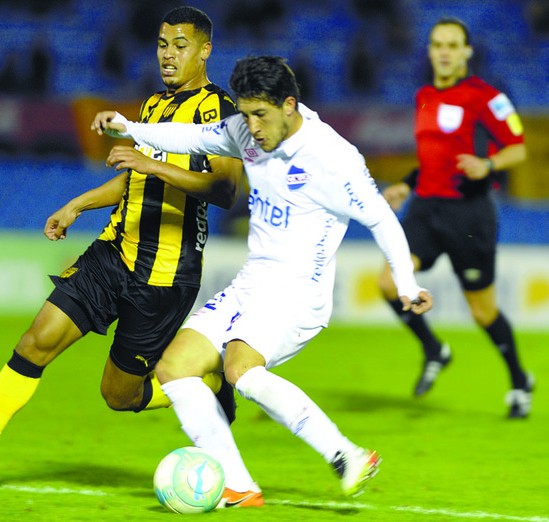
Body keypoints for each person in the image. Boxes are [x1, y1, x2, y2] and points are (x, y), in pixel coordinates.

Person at [0, 6, 243, 489]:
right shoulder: (153, 105)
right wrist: (78, 204)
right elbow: (134, 179)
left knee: (119, 394)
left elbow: (225, 190)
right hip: (113, 253)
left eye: (181, 45)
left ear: (205, 50)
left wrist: (155, 168)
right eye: (161, 44)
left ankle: (213, 384)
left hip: (164, 275)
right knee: (37, 339)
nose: (168, 55)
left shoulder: (222, 111)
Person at [93, 55, 433, 506]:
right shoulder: (246, 131)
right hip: (252, 284)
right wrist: (130, 127)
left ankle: (346, 454)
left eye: (260, 115)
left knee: (240, 369)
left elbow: (383, 220)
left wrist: (406, 284)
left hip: (297, 294)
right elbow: (194, 135)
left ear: (289, 105)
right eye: (246, 113)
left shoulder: (332, 158)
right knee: (174, 368)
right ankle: (239, 485)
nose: (251, 127)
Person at [377, 17, 533, 418]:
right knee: (389, 283)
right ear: (430, 51)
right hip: (426, 208)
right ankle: (435, 349)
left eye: (452, 45)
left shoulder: (487, 97)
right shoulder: (425, 95)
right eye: (437, 45)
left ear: (466, 52)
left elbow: (518, 148)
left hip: (469, 215)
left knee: (482, 312)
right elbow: (433, 159)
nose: (444, 52)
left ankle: (519, 382)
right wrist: (406, 186)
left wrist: (488, 163)